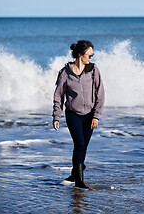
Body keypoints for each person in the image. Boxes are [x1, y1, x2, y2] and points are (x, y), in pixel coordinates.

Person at [52, 40, 105, 189]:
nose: (91, 58)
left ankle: (75, 172)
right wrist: (56, 116)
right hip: (73, 114)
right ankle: (79, 182)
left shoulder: (93, 70)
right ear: (80, 55)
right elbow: (58, 95)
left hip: (89, 115)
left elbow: (100, 93)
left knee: (83, 147)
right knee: (79, 144)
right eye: (89, 55)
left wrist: (96, 115)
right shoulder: (65, 73)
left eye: (92, 55)